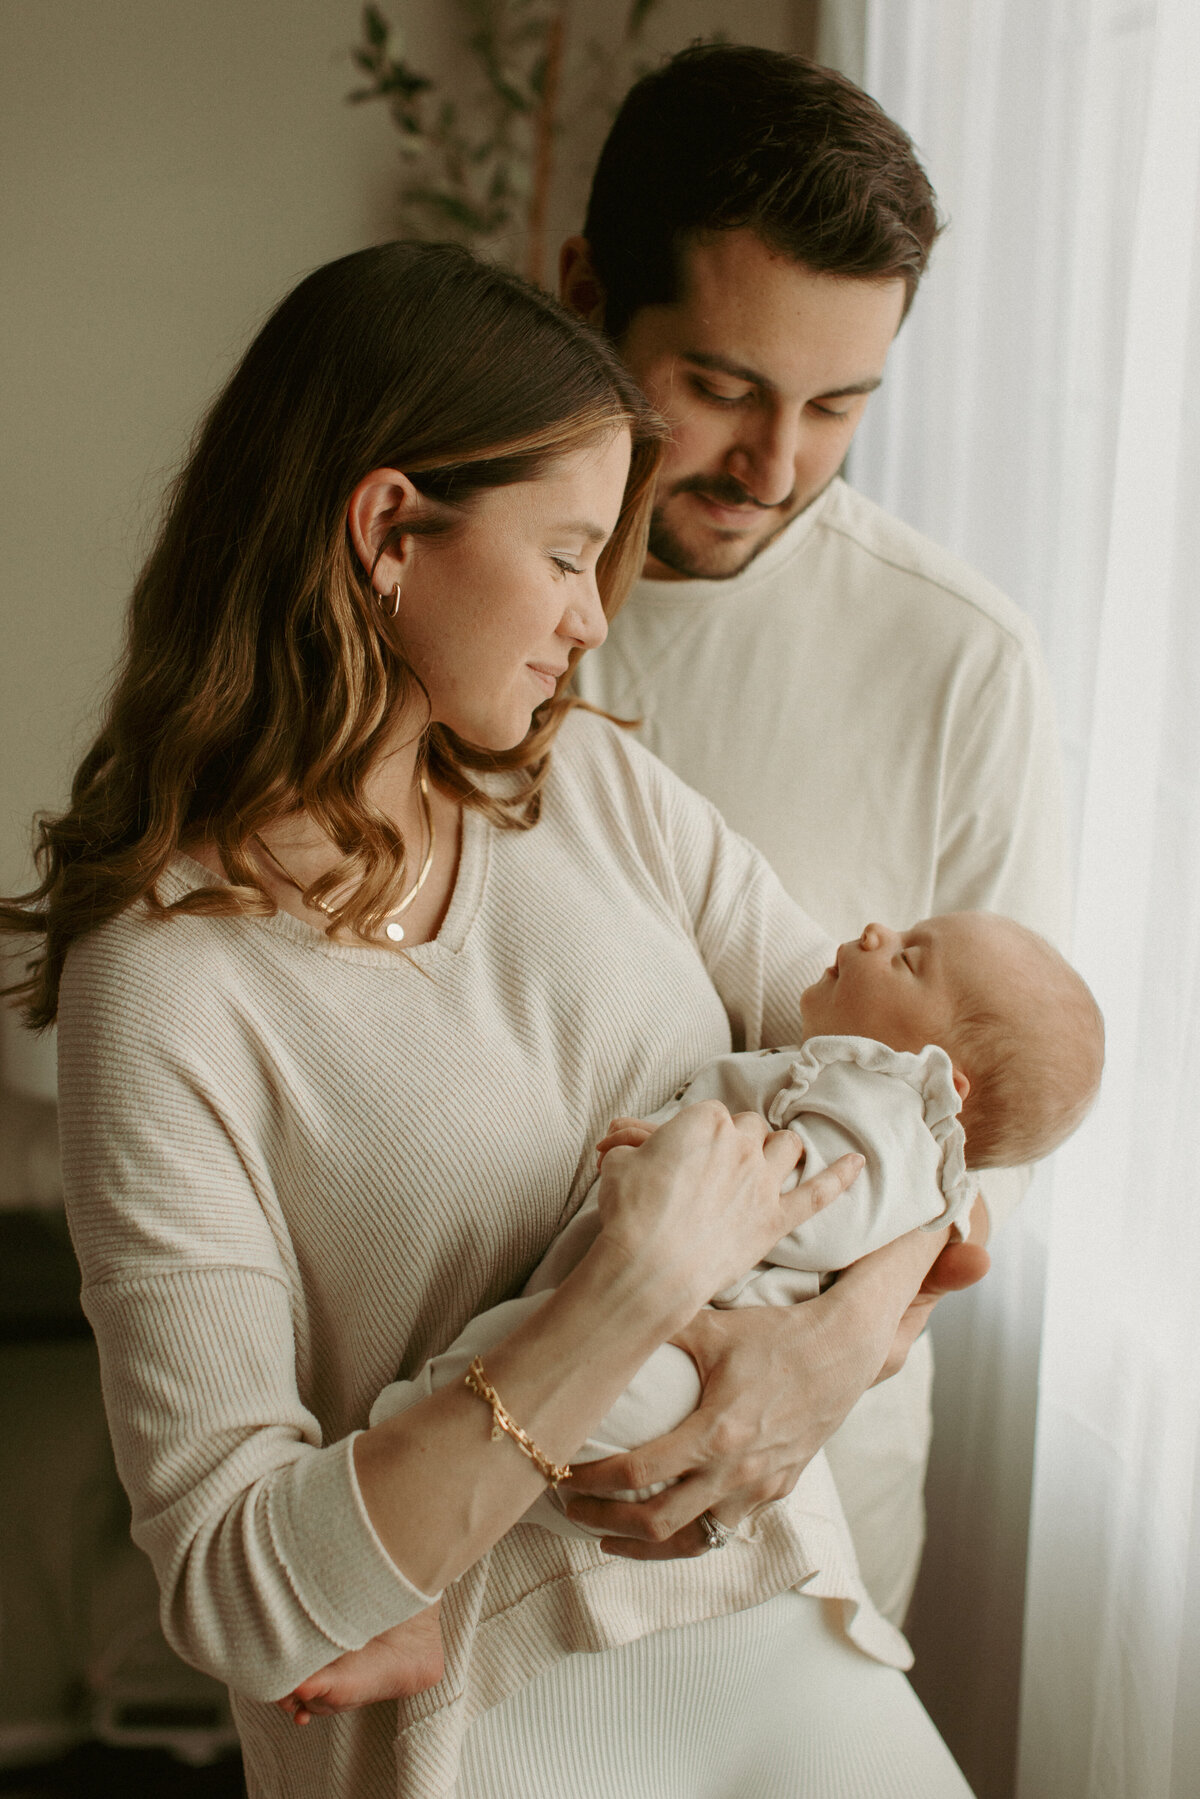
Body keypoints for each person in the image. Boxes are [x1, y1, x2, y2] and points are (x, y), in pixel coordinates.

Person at [0, 242, 981, 1798]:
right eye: (569, 553)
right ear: (390, 529)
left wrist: (839, 1342)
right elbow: (233, 1583)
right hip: (486, 1733)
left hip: (791, 1631)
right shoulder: (170, 981)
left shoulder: (593, 787)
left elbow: (931, 1096)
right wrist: (627, 1288)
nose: (596, 618)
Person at [565, 43, 1069, 1624]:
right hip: (480, 1454)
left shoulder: (961, 659)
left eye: (840, 403)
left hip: (814, 1497)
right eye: (721, 387)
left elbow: (999, 1127)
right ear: (585, 290)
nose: (775, 467)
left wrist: (828, 1351)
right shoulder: (450, 593)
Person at [282, 911, 1102, 1725]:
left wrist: (681, 1143)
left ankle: (396, 1578)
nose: (878, 930)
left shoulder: (889, 1110)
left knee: (467, 1397)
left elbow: (811, 1206)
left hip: (679, 1369)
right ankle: (418, 1590)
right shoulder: (870, 1102)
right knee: (482, 1403)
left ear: (946, 1080)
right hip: (667, 1348)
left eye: (913, 959)